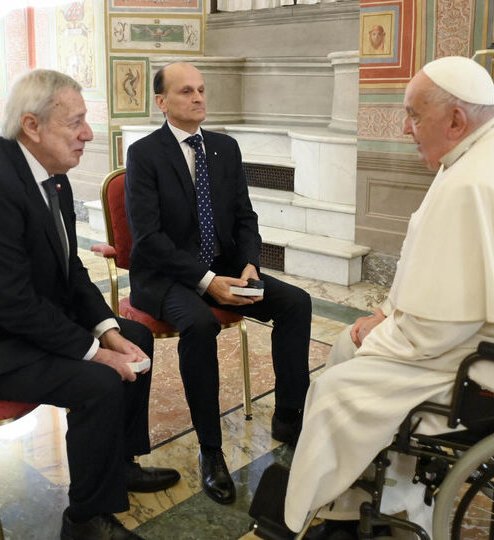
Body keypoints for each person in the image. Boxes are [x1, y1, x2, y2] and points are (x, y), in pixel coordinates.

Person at [282, 56, 494, 533]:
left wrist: (384, 330)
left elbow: (437, 331)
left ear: (455, 120)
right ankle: (380, 491)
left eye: (414, 114)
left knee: (336, 389)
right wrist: (390, 313)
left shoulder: (472, 182)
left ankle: (340, 509)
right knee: (352, 346)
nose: (406, 128)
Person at [0, 69, 180, 540]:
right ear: (32, 126)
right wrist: (96, 352)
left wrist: (108, 331)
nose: (88, 134)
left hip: (15, 325)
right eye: (75, 122)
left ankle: (117, 465)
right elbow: (12, 306)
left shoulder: (50, 177)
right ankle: (84, 518)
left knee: (136, 336)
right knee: (99, 380)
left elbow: (69, 270)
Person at [125, 62, 312, 505]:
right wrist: (207, 282)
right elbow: (148, 240)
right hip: (167, 277)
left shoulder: (225, 148)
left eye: (202, 90)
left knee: (296, 302)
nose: (198, 98)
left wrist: (249, 265)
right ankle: (212, 452)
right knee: (199, 325)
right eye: (186, 91)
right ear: (161, 102)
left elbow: (245, 217)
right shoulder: (145, 154)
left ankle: (289, 415)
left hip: (226, 268)